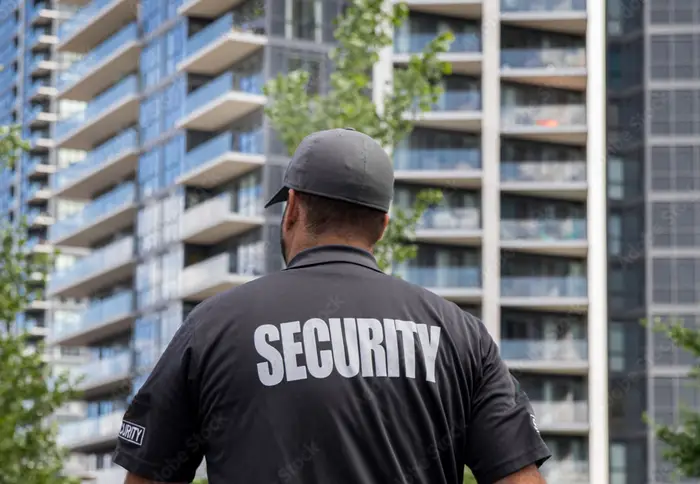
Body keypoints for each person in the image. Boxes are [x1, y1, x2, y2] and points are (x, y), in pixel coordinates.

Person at [113, 128, 551, 484]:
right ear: (381, 226)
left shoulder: (213, 326)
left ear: (293, 209)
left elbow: (148, 477)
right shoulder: (459, 334)